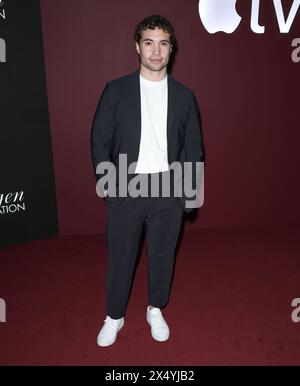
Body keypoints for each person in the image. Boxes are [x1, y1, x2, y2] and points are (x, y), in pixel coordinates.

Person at [91, 15, 205, 347]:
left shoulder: (185, 97)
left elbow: (194, 148)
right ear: (137, 47)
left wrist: (186, 195)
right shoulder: (116, 90)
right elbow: (99, 141)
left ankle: (155, 308)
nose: (156, 51)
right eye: (149, 43)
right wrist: (109, 184)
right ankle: (114, 315)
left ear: (171, 49)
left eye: (163, 43)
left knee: (162, 255)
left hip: (168, 189)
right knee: (120, 256)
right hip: (127, 186)